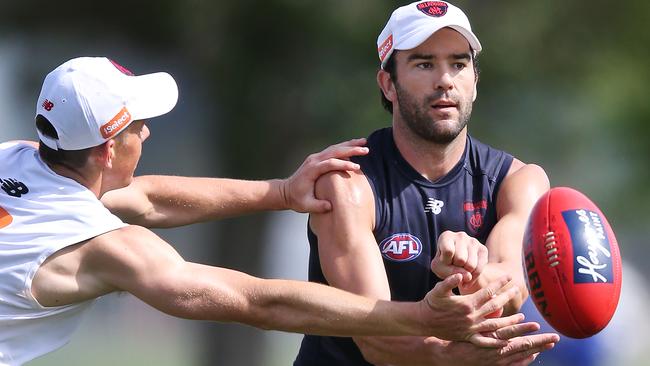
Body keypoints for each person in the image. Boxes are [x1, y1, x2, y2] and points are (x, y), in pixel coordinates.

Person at [0, 56, 530, 366]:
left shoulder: (17, 158)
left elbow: (144, 197)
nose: (148, 132)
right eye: (138, 126)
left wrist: (281, 192)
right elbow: (258, 302)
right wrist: (420, 317)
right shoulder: (102, 248)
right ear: (108, 152)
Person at [294, 1, 561, 365]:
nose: (445, 80)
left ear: (475, 82)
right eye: (424, 64)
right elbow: (378, 342)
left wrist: (469, 274)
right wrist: (457, 356)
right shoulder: (346, 182)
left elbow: (509, 286)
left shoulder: (520, 181)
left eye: (458, 63)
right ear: (388, 83)